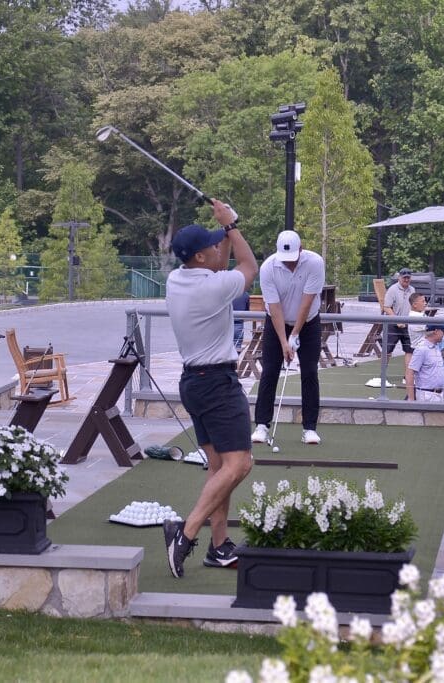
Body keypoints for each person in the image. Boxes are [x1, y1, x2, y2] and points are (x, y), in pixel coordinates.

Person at [162, 199, 258, 578]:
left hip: (194, 383)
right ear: (200, 257)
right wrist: (233, 224)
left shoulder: (178, 278)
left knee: (219, 467)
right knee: (241, 464)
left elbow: (219, 266)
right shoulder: (212, 288)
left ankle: (219, 547)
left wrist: (226, 230)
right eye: (213, 244)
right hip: (217, 383)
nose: (220, 247)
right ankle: (184, 535)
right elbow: (250, 268)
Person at [251, 230, 326, 446]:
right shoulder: (268, 268)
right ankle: (262, 425)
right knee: (270, 370)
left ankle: (309, 428)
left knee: (310, 372)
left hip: (309, 322)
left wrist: (294, 335)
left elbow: (307, 302)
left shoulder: (315, 263)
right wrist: (284, 341)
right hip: (276, 322)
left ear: (301, 250)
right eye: (285, 261)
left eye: (293, 259)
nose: (289, 264)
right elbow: (274, 307)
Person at [382, 268, 416, 375]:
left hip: (407, 324)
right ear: (399, 277)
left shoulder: (412, 290)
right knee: (387, 350)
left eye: (408, 277)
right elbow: (387, 307)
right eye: (404, 277)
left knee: (409, 350)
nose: (406, 279)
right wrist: (396, 320)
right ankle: (382, 375)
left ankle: (408, 376)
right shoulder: (392, 289)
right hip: (393, 324)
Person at [405, 323, 444, 401]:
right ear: (436, 331)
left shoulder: (437, 347)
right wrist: (411, 399)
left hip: (439, 395)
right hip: (426, 396)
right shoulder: (422, 349)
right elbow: (409, 373)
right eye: (443, 331)